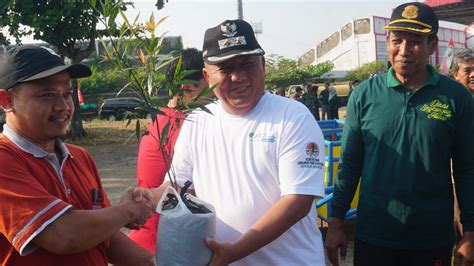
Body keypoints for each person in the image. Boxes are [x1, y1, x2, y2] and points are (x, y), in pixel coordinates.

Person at [152, 19, 326, 265]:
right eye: (224, 68)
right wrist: (146, 198)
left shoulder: (292, 117)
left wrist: (235, 251)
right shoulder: (198, 121)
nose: (237, 77)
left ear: (263, 65)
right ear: (206, 75)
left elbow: (297, 201)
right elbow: (180, 186)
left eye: (247, 65)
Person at [325, 3, 474, 266]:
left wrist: (470, 232)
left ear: (431, 46)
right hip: (374, 235)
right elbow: (350, 165)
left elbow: (466, 169)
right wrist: (336, 222)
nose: (404, 51)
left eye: (415, 42)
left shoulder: (457, 97)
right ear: (388, 42)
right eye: (397, 41)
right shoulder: (364, 95)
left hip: (431, 237)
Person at [0, 45, 154, 265]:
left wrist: (156, 261)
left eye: (67, 94)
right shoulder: (4, 160)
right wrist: (128, 211)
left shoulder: (79, 157)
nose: (63, 106)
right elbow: (62, 234)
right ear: (6, 101)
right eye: (48, 95)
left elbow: (101, 235)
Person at [129, 48, 210, 254]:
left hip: (150, 238)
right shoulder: (185, 125)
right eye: (209, 83)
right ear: (187, 87)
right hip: (168, 243)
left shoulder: (158, 121)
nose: (216, 91)